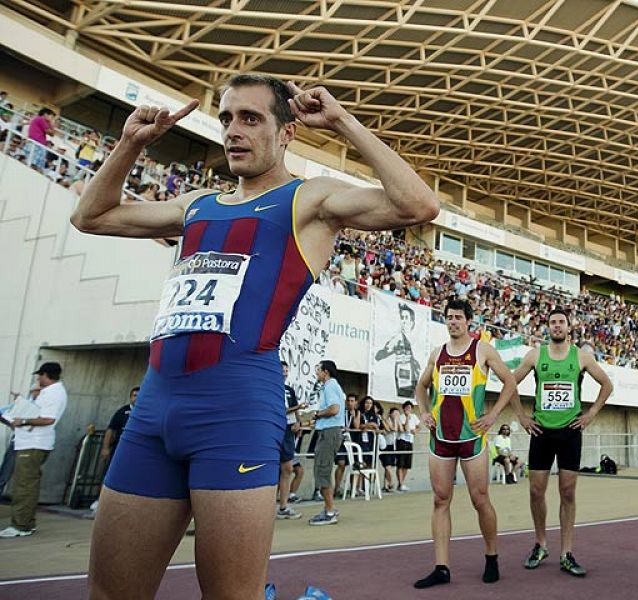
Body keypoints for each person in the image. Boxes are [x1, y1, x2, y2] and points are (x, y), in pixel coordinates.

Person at [70, 74, 438, 598]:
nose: (233, 131)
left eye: (251, 118)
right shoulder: (196, 205)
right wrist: (130, 143)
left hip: (235, 413)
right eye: (225, 119)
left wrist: (341, 122)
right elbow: (91, 215)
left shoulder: (309, 200)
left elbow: (418, 205)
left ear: (287, 132)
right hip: (154, 411)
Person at [414, 298, 518, 588]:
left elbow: (510, 383)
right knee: (440, 499)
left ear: (469, 321)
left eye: (458, 317)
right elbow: (421, 386)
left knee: (480, 499)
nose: (453, 321)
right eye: (449, 317)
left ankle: (492, 556)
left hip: (471, 438)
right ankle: (441, 567)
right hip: (441, 439)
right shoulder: (437, 354)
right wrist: (423, 412)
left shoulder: (482, 351)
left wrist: (493, 415)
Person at [512, 307, 614, 577]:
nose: (557, 326)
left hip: (570, 432)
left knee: (567, 492)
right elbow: (510, 382)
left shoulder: (581, 357)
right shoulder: (535, 355)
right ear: (547, 327)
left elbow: (607, 384)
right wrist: (521, 416)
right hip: (541, 432)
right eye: (552, 322)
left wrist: (591, 413)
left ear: (569, 327)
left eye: (561, 322)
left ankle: (566, 552)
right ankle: (540, 543)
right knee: (536, 491)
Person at [0, 362, 68, 538]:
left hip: (33, 443)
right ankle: (27, 523)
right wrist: (24, 401)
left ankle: (20, 525)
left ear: (46, 375)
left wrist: (22, 421)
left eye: (40, 376)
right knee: (27, 484)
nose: (38, 379)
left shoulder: (54, 393)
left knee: (24, 485)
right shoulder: (47, 393)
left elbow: (48, 419)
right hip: (29, 442)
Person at [310, 360, 346, 526]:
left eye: (318, 370)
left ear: (326, 371)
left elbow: (334, 409)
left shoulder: (330, 386)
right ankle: (329, 508)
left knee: (322, 470)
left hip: (329, 432)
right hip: (329, 431)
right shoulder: (333, 386)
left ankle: (330, 512)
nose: (316, 373)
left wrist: (318, 414)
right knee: (323, 469)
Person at [375, 303, 421, 398]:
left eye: (406, 318)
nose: (403, 321)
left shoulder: (417, 338)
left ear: (412, 321)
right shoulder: (397, 338)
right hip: (403, 374)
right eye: (402, 318)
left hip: (415, 376)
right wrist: (389, 349)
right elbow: (379, 355)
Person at [276, 361, 304, 520]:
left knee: (287, 467)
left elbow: (294, 409)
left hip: (287, 432)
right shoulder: (271, 388)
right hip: (273, 429)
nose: (285, 373)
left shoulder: (289, 390)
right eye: (282, 370)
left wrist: (298, 422)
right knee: (271, 469)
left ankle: (283, 506)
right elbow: (284, 409)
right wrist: (297, 408)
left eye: (287, 370)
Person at [100, 387, 139, 466]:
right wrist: (105, 448)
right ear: (130, 397)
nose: (137, 398)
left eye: (139, 396)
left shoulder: (145, 412)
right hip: (120, 448)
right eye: (135, 395)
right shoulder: (122, 411)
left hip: (137, 449)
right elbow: (110, 429)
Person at [334, 393, 360, 497]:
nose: (350, 403)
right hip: (340, 441)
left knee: (353, 465)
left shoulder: (357, 412)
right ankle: (337, 488)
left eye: (352, 401)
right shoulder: (341, 411)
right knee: (341, 463)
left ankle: (352, 488)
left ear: (356, 402)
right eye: (348, 401)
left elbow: (357, 426)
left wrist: (354, 417)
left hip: (352, 441)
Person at [396, 400, 419, 491]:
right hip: (402, 441)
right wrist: (407, 418)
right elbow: (405, 428)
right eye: (406, 408)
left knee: (407, 464)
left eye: (409, 408)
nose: (408, 409)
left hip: (410, 441)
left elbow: (419, 426)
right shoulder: (401, 417)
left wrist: (415, 431)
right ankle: (400, 483)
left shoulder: (414, 417)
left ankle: (402, 483)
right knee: (400, 463)